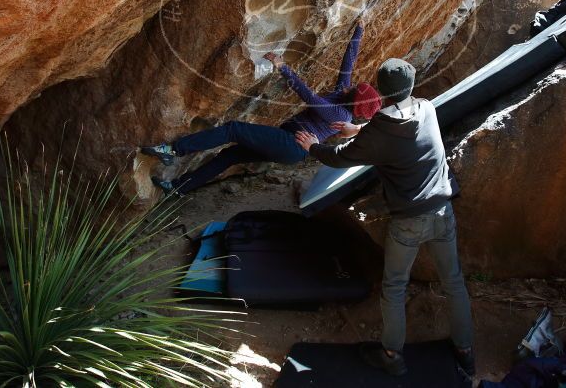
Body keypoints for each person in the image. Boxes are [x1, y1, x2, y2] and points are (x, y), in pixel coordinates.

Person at [294, 58, 475, 379]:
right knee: (454, 282)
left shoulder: (381, 129)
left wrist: (313, 146)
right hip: (443, 211)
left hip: (409, 221)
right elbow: (390, 128)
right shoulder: (426, 107)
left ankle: (392, 354)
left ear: (381, 91)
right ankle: (465, 351)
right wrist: (358, 129)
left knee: (394, 287)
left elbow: (341, 157)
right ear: (411, 85)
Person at [141, 20, 381, 196]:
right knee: (231, 155)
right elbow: (348, 63)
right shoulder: (343, 94)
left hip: (292, 146)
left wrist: (282, 66)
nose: (353, 86)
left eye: (356, 90)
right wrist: (359, 28)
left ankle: (172, 150)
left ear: (354, 102)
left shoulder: (340, 113)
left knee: (233, 129)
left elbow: (308, 96)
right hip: (289, 143)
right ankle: (178, 188)